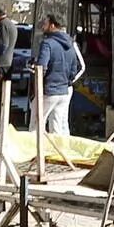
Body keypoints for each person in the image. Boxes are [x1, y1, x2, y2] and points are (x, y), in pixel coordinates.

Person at [36, 14, 84, 144]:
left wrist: (36, 73)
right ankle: (57, 155)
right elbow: (75, 68)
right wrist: (67, 83)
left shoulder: (47, 43)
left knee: (37, 123)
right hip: (63, 91)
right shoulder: (70, 44)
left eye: (45, 23)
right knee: (57, 126)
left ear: (52, 25)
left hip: (49, 91)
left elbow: (41, 68)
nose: (43, 26)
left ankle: (34, 153)